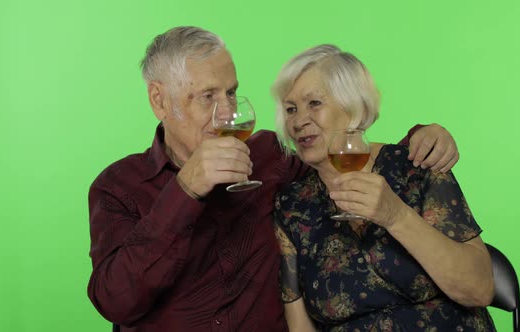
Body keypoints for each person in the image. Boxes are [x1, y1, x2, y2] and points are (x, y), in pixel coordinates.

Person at [87, 27, 461, 332]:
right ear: (159, 100)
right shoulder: (118, 187)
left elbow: (339, 156)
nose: (227, 114)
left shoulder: (268, 154)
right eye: (208, 97)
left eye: (231, 93)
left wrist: (421, 138)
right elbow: (117, 302)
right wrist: (185, 189)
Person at [271, 44, 496, 332]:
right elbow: (300, 325)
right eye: (291, 109)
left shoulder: (416, 166)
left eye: (314, 103)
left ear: (354, 105)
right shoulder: (292, 206)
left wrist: (395, 216)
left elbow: (478, 289)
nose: (299, 121)